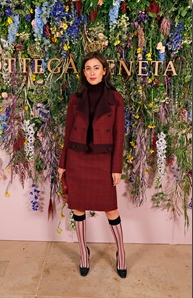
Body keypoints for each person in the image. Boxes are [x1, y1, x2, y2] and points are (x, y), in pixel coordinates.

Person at [58, 51, 127, 278]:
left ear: (104, 71)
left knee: (111, 208)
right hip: (77, 159)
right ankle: (83, 253)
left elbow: (119, 136)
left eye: (96, 67)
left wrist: (116, 167)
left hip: (103, 160)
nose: (92, 72)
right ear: (83, 72)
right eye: (88, 68)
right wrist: (63, 162)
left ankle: (122, 253)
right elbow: (67, 133)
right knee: (78, 207)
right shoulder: (75, 99)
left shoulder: (115, 99)